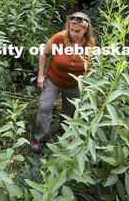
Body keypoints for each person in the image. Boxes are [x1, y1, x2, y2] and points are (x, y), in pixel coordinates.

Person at [31, 12, 95, 153]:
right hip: (54, 80)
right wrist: (41, 75)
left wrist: (86, 81)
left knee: (70, 111)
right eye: (71, 29)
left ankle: (63, 133)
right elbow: (44, 54)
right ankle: (40, 138)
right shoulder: (59, 39)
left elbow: (90, 64)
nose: (73, 33)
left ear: (86, 30)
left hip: (74, 84)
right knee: (44, 107)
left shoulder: (90, 44)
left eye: (77, 31)